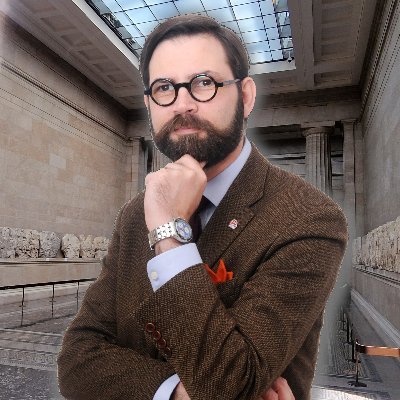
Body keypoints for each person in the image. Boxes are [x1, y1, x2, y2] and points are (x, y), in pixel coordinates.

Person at [57, 14, 348, 400]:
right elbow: (76, 360)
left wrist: (168, 234)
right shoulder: (134, 215)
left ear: (245, 96)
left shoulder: (308, 218)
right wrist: (177, 393)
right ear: (149, 104)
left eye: (204, 83)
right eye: (164, 88)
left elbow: (231, 385)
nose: (183, 104)